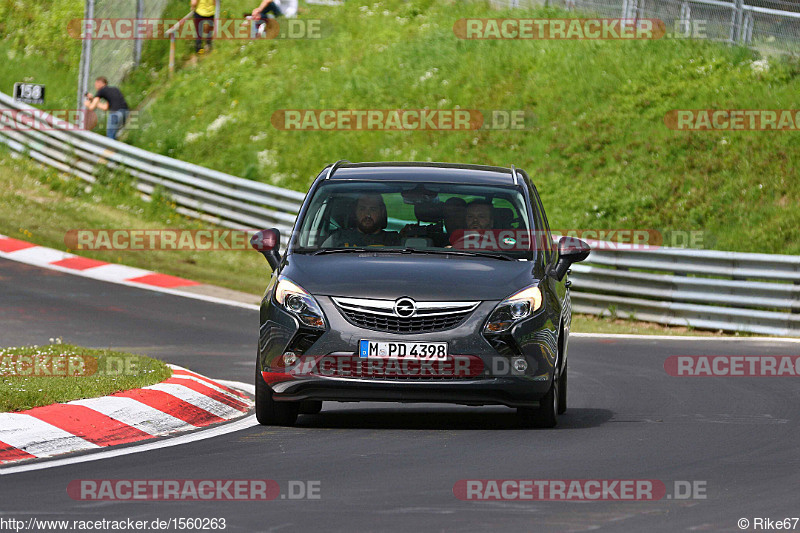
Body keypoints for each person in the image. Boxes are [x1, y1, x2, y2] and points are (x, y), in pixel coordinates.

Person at [322, 194, 401, 248]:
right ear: (355, 212)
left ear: (382, 212)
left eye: (373, 209)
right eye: (362, 209)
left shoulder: (395, 241)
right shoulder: (338, 238)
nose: (367, 214)